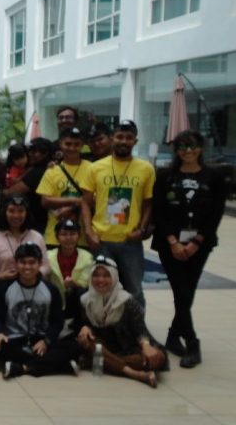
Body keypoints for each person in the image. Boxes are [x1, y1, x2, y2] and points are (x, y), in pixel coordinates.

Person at [151, 130, 228, 368]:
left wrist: (197, 242)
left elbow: (216, 213)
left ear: (201, 148)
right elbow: (158, 211)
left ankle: (174, 336)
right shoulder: (165, 176)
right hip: (169, 244)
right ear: (176, 150)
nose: (188, 151)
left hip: (199, 244)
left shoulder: (214, 177)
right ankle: (193, 343)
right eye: (182, 147)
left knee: (187, 292)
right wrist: (173, 241)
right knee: (181, 292)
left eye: (192, 146)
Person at [80, 120, 155, 308]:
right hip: (102, 240)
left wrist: (142, 229)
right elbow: (85, 202)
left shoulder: (146, 169)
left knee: (134, 290)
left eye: (129, 137)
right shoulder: (95, 168)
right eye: (120, 136)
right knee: (99, 289)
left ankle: (137, 326)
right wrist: (89, 232)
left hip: (130, 241)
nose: (124, 141)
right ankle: (101, 325)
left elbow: (148, 203)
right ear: (112, 138)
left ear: (135, 141)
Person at [0, 243, 79, 379]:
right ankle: (59, 365)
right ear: (16, 263)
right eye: (22, 262)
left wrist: (46, 341)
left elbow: (57, 321)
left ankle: (22, 367)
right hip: (14, 340)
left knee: (74, 346)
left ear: (40, 264)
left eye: (32, 263)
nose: (27, 267)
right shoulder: (4, 288)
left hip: (41, 340)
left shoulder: (51, 289)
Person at [76, 256, 166, 387]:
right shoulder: (86, 301)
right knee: (87, 341)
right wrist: (85, 327)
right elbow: (85, 326)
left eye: (106, 275)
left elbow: (140, 328)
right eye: (96, 275)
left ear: (114, 277)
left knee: (158, 358)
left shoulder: (127, 301)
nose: (100, 280)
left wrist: (146, 346)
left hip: (127, 349)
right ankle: (134, 374)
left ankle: (98, 362)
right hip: (103, 346)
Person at [37, 127, 95, 247]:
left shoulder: (92, 168)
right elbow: (45, 201)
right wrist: (76, 201)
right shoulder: (52, 170)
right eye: (68, 144)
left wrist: (72, 207)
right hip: (54, 237)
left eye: (76, 144)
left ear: (82, 145)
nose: (72, 148)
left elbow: (94, 199)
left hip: (83, 237)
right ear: (60, 144)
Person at [0, 194, 50, 283]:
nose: (16, 215)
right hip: (1, 286)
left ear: (26, 213)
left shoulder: (37, 237)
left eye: (21, 211)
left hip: (31, 286)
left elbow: (46, 266)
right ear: (4, 212)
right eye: (11, 211)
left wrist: (31, 275)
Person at [47, 218, 94, 324]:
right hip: (54, 299)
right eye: (64, 234)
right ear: (57, 237)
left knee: (82, 293)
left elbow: (85, 284)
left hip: (75, 298)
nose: (68, 238)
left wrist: (73, 284)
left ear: (79, 236)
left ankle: (81, 324)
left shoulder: (87, 257)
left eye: (73, 234)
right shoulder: (48, 256)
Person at [4, 137, 52, 233]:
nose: (36, 154)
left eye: (42, 151)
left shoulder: (38, 171)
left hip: (34, 221)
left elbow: (10, 193)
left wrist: (3, 192)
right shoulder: (33, 167)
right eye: (33, 150)